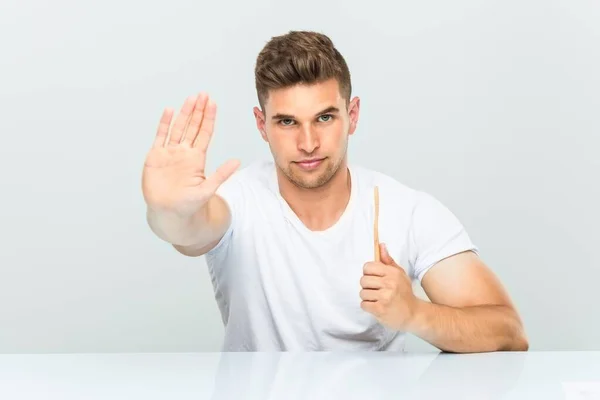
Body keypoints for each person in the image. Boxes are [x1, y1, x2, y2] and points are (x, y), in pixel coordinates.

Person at [142, 30, 529, 352]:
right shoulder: (236, 199)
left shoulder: (406, 210)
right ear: (262, 126)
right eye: (287, 122)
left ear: (352, 115)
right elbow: (189, 229)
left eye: (324, 117)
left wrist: (414, 313)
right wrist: (167, 211)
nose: (308, 142)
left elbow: (509, 333)